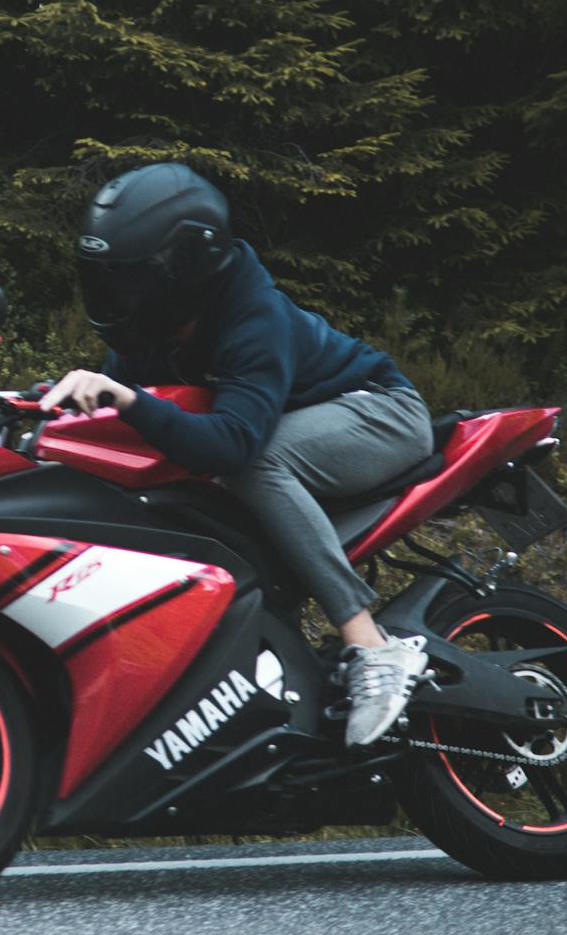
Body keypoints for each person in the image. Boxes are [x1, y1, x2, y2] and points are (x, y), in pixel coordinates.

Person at [39, 162, 436, 747]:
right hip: (300, 428)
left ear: (183, 268)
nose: (116, 295)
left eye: (130, 279)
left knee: (254, 464)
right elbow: (122, 425)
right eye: (106, 278)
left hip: (381, 412)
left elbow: (232, 444)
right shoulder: (146, 331)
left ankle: (371, 647)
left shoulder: (252, 315)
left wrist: (126, 399)